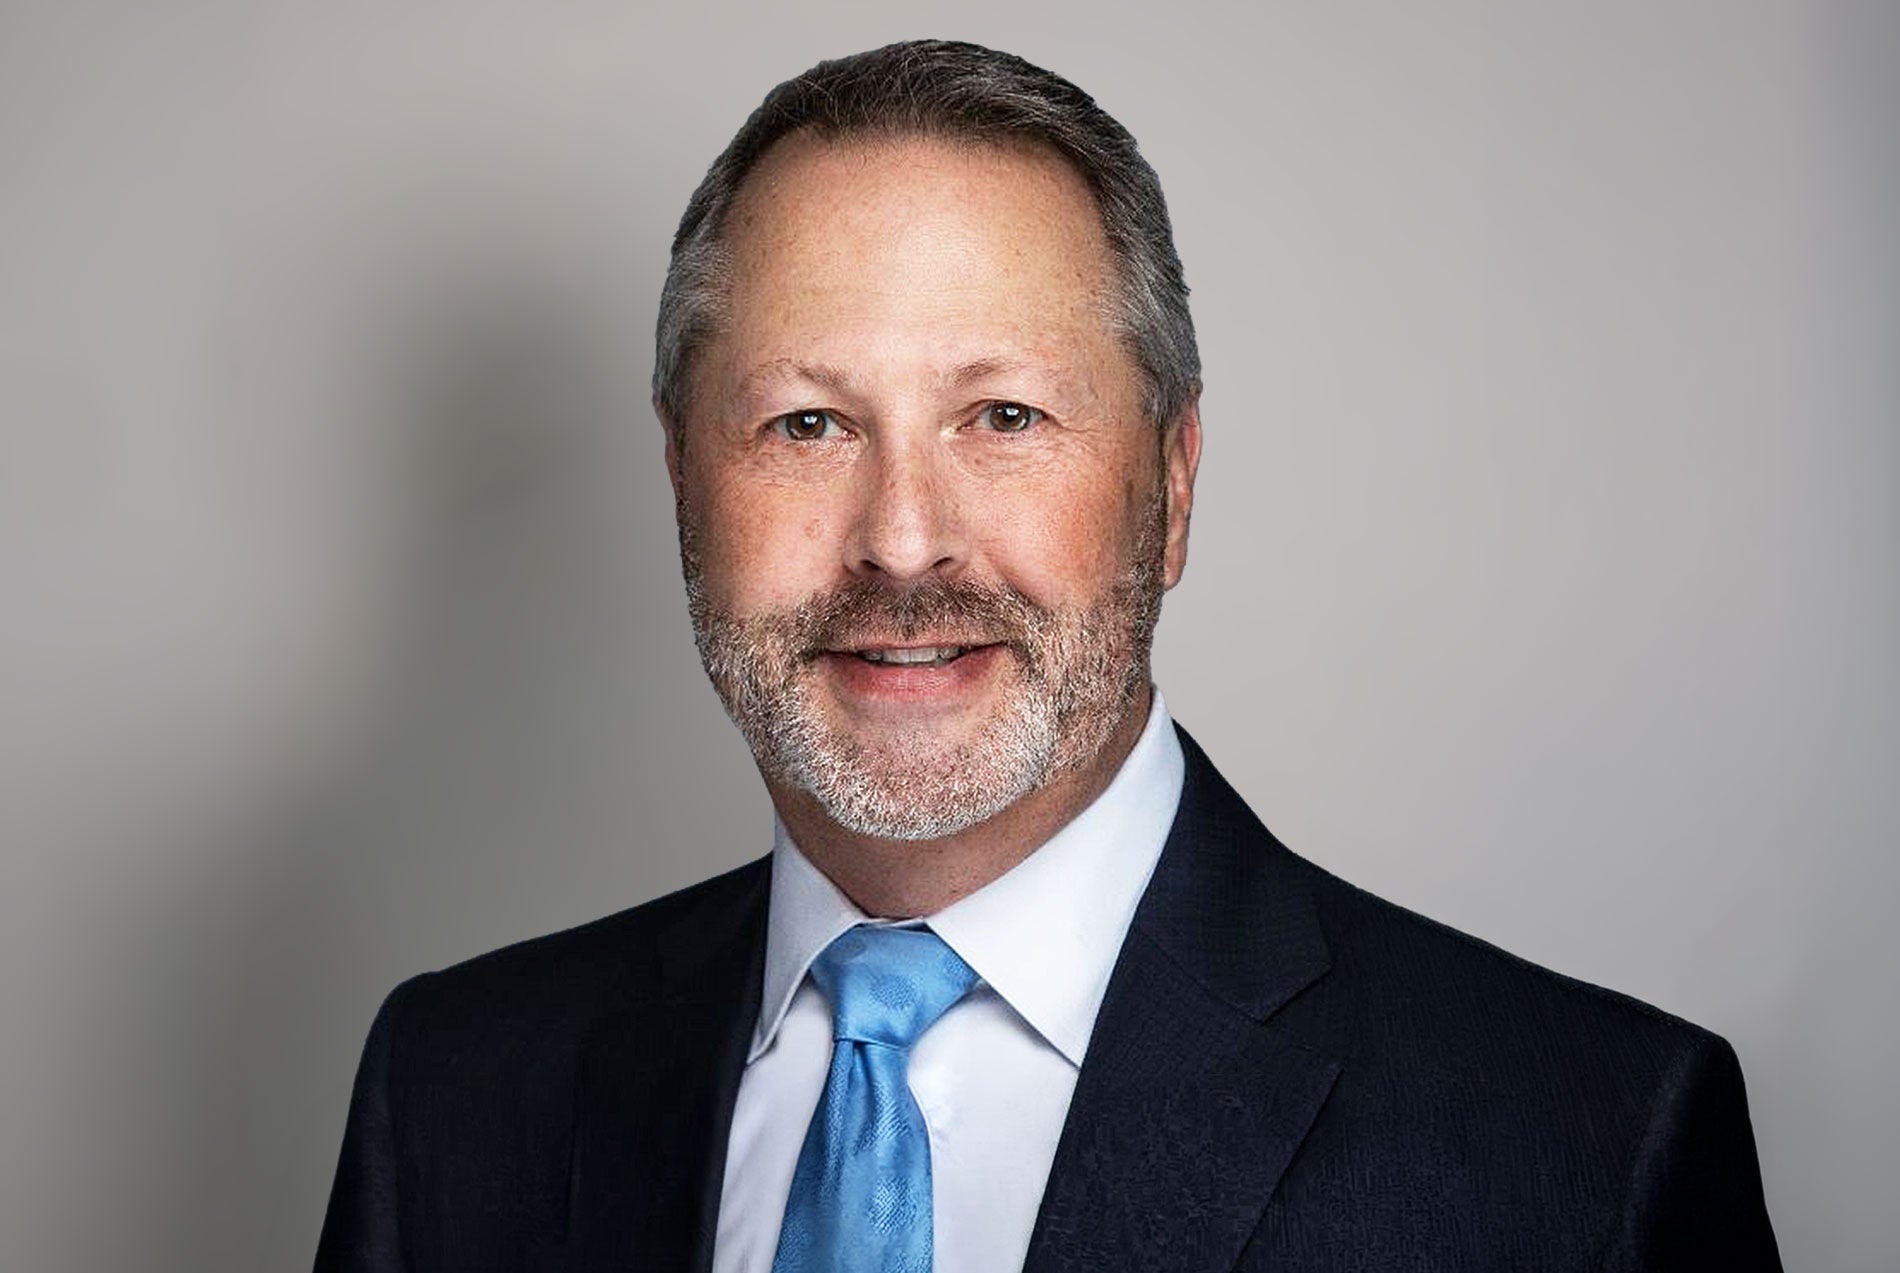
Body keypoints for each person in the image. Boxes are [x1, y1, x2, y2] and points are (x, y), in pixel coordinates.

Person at [315, 39, 1780, 1272]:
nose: (900, 542)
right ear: (683, 481)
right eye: (807, 423)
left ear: (1176, 478)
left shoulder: (1584, 1154)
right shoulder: (453, 1096)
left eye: (1004, 416)